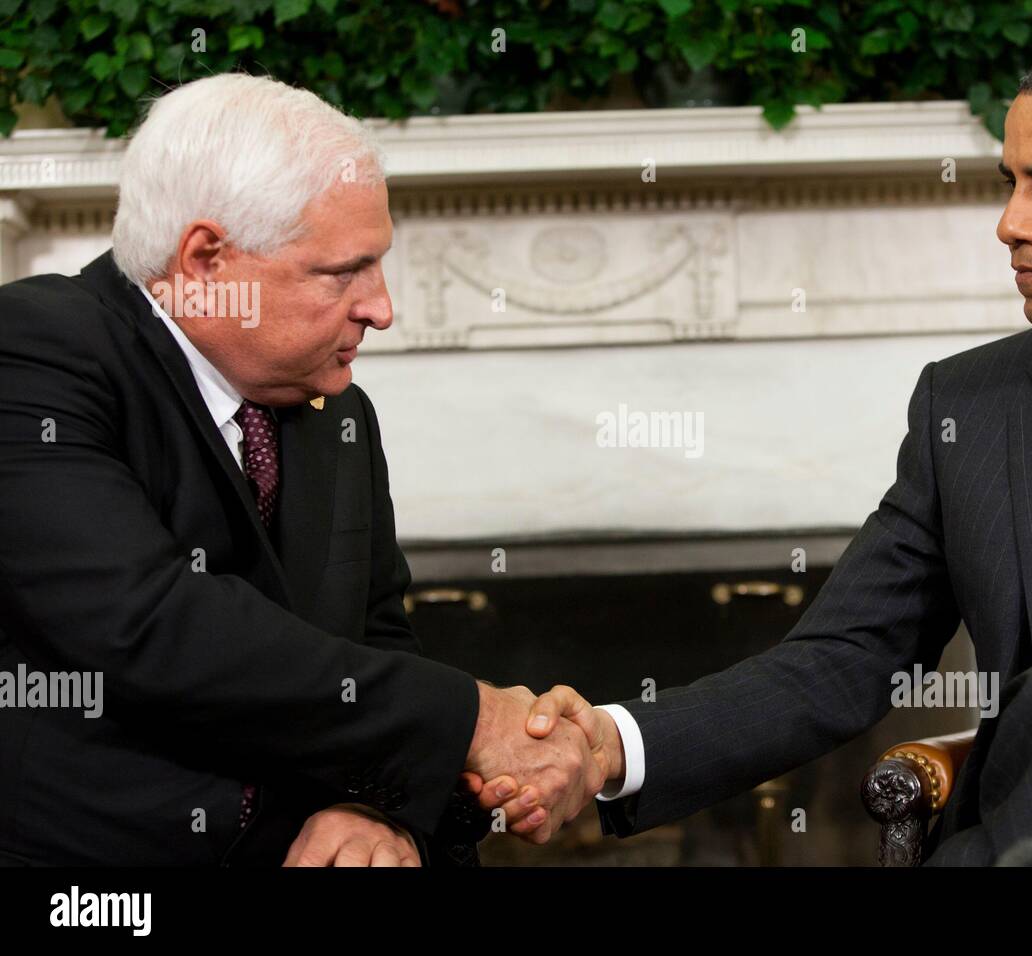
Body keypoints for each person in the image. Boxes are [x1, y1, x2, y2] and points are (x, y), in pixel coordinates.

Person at [476, 33, 1032, 865]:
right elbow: (844, 656)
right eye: (1010, 184)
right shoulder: (974, 408)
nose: (1012, 225)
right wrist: (611, 744)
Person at [0, 73, 605, 866]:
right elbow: (148, 626)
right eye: (341, 272)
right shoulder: (33, 352)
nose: (380, 307)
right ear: (207, 261)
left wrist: (369, 807)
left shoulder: (337, 413)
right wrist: (475, 721)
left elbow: (379, 641)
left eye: (378, 265)